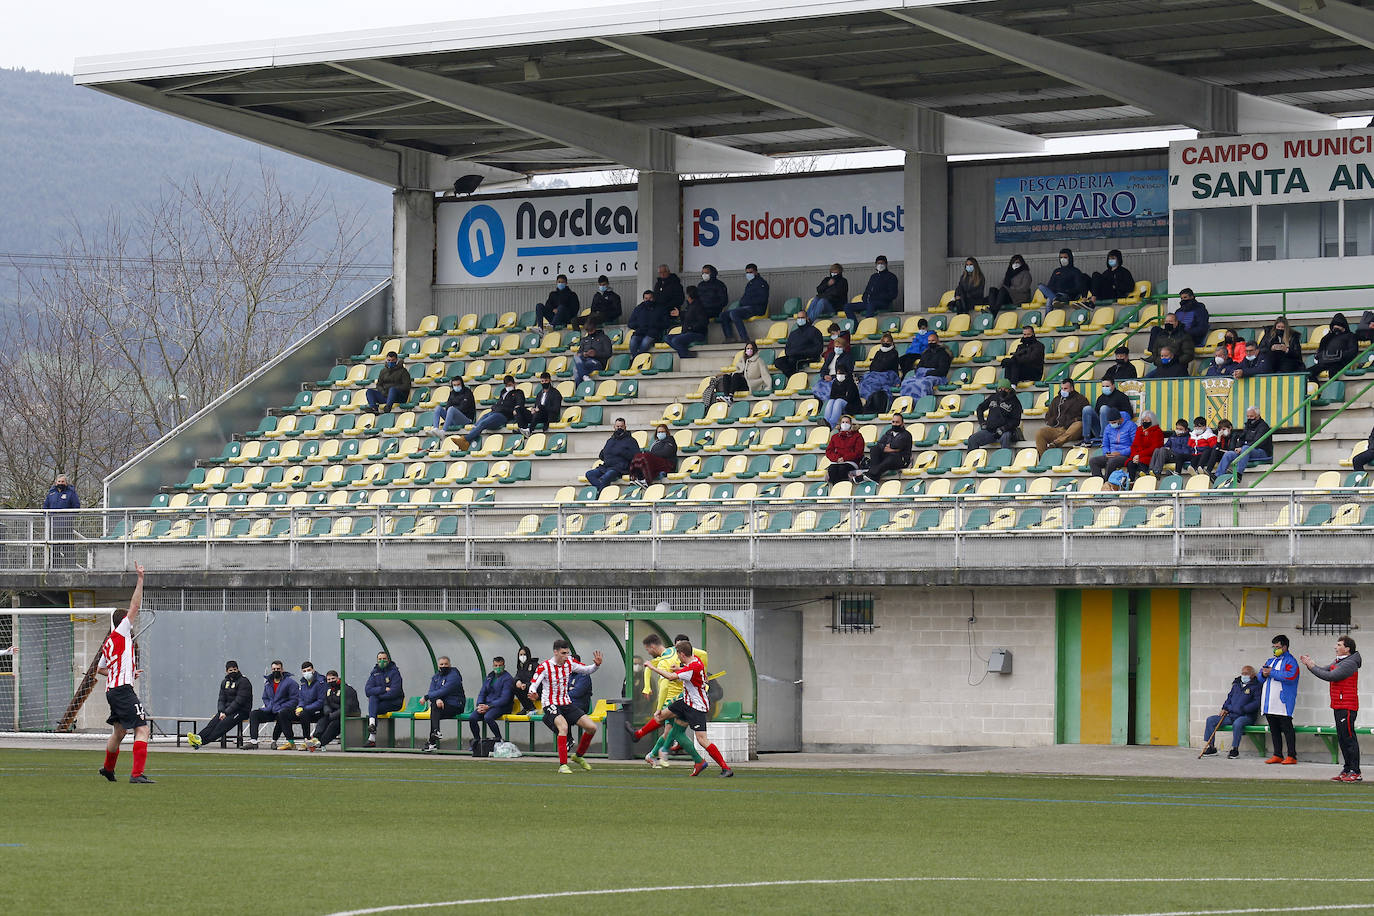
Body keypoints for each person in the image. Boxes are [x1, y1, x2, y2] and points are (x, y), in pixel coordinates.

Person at [643, 637, 734, 777]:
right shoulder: (696, 660)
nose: (677, 657)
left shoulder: (691, 668)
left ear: (682, 654)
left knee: (702, 739)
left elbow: (670, 677)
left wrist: (652, 667)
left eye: (678, 654)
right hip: (685, 702)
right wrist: (679, 668)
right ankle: (691, 759)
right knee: (661, 716)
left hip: (696, 707)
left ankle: (725, 768)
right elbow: (691, 670)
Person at [97, 563, 152, 784]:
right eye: (129, 620)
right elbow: (135, 605)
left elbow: (101, 669)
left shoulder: (109, 642)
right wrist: (140, 579)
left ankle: (108, 769)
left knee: (119, 733)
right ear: (123, 623)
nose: (133, 621)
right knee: (142, 730)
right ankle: (137, 775)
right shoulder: (121, 632)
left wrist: (126, 673)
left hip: (113, 689)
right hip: (122, 690)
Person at [527, 639, 603, 774]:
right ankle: (563, 765)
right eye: (563, 653)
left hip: (566, 703)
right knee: (564, 727)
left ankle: (578, 756)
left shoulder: (569, 663)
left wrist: (596, 665)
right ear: (555, 652)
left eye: (567, 653)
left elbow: (586, 670)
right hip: (550, 703)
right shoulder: (544, 666)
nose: (566, 656)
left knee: (592, 727)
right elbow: (534, 683)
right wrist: (532, 692)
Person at [631, 633, 705, 769]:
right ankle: (660, 750)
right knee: (673, 730)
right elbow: (704, 654)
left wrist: (700, 678)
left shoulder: (667, 659)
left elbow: (656, 674)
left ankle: (648, 744)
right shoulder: (670, 653)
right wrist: (647, 687)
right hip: (677, 700)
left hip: (678, 699)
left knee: (669, 728)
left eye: (647, 649)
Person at [1301, 635, 1362, 782]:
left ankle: (1355, 771)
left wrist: (1312, 666)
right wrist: (1311, 664)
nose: (1336, 647)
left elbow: (1330, 676)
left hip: (1347, 706)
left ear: (1347, 648)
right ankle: (1347, 769)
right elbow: (1323, 670)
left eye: (1339, 645)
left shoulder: (1350, 663)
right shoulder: (1339, 661)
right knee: (1342, 738)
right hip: (1338, 705)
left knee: (1349, 739)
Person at [187, 660, 253, 749]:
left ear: (238, 669)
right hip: (226, 711)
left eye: (235, 669)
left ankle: (201, 742)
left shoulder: (244, 681)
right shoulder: (225, 682)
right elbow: (221, 699)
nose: (233, 672)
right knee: (212, 723)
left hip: (241, 711)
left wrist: (226, 712)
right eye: (230, 670)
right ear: (226, 671)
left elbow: (239, 701)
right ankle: (198, 738)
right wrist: (222, 711)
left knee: (221, 727)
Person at [1201, 665, 1262, 759]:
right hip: (1231, 715)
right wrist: (1224, 708)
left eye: (1246, 673)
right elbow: (1229, 698)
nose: (1244, 675)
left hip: (1246, 716)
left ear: (1253, 675)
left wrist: (1243, 709)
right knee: (1211, 720)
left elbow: (1257, 703)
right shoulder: (1236, 685)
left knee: (1237, 723)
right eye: (1243, 673)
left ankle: (1235, 749)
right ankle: (1211, 747)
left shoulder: (1256, 686)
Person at [453, 375, 525, 451]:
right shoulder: (503, 392)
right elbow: (499, 403)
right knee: (477, 424)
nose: (508, 387)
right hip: (495, 412)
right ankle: (465, 443)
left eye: (510, 385)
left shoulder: (519, 393)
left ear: (514, 384)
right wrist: (495, 407)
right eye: (506, 385)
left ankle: (466, 440)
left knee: (483, 423)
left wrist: (505, 409)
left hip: (504, 415)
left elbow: (518, 406)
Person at [1260, 634, 1300, 765]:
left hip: (1283, 702)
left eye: (1277, 647)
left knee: (1287, 729)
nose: (1275, 649)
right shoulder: (1270, 661)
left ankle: (1292, 755)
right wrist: (1263, 674)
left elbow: (1290, 676)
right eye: (1274, 647)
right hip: (1269, 702)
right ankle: (1277, 754)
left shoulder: (1291, 661)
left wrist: (1271, 673)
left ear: (1284, 647)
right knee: (1274, 729)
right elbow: (1260, 679)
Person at [246, 660, 298, 749]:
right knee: (254, 714)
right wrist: (269, 705)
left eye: (278, 669)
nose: (276, 671)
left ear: (282, 670)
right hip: (270, 710)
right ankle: (253, 741)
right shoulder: (268, 683)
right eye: (274, 669)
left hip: (282, 710)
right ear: (271, 670)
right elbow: (265, 697)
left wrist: (281, 707)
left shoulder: (291, 683)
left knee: (282, 715)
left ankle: (274, 741)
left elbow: (294, 700)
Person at [1213, 406, 1271, 483]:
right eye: (1248, 416)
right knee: (1229, 454)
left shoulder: (1263, 426)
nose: (1249, 418)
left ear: (1258, 416)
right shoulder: (1248, 426)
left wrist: (1243, 448)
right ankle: (1218, 476)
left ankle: (1238, 474)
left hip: (1261, 451)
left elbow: (1258, 442)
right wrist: (1238, 447)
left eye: (1252, 416)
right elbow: (1242, 438)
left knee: (1246, 448)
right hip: (1246, 451)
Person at [469, 656, 515, 752]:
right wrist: (480, 704)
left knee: (488, 717)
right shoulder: (490, 676)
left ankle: (498, 738)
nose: (497, 667)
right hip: (486, 705)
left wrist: (489, 706)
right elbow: (483, 692)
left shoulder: (508, 679)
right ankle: (476, 740)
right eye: (495, 665)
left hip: (502, 706)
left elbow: (505, 699)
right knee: (472, 717)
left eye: (500, 665)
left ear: (504, 666)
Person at [422, 655, 466, 753]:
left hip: (456, 705)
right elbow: (432, 691)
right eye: (441, 664)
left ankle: (432, 741)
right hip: (442, 705)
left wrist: (427, 697)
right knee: (434, 710)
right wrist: (437, 699)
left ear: (450, 665)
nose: (444, 666)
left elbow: (445, 690)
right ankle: (434, 737)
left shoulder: (454, 676)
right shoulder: (436, 677)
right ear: (438, 666)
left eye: (446, 664)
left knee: (434, 711)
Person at [1035, 379, 1090, 456]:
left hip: (1072, 429)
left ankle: (1056, 444)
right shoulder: (1056, 400)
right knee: (1040, 433)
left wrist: (1073, 420)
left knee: (1079, 424)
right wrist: (1052, 421)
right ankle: (1044, 457)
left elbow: (1085, 416)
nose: (1063, 390)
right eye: (1062, 388)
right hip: (1057, 429)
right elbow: (1048, 416)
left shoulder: (1081, 399)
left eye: (1065, 388)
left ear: (1072, 388)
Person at [280, 660, 325, 751]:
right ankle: (290, 742)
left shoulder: (320, 681)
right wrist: (299, 707)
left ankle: (307, 740)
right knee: (283, 713)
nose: (306, 673)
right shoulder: (303, 682)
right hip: (304, 709)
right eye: (304, 671)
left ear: (313, 670)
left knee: (304, 713)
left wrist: (304, 708)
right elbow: (300, 698)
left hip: (316, 711)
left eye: (308, 670)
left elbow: (321, 701)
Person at [364, 650, 404, 748]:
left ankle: (372, 736)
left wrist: (378, 695)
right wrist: (383, 689)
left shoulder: (394, 672)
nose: (382, 661)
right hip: (381, 703)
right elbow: (367, 690)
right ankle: (372, 727)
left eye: (384, 659)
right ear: (377, 661)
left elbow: (394, 692)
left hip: (395, 703)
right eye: (380, 659)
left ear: (388, 660)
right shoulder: (374, 673)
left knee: (373, 701)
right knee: (373, 700)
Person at [586, 417, 638, 492]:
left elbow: (636, 456)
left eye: (621, 426)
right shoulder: (610, 440)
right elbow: (602, 455)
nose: (619, 428)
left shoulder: (631, 440)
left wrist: (622, 452)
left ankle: (601, 493)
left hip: (619, 468)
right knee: (589, 474)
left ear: (625, 427)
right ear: (614, 427)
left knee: (606, 477)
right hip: (606, 466)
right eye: (617, 426)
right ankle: (603, 491)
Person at [856, 414, 912, 483]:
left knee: (892, 457)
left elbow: (896, 445)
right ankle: (874, 476)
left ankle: (871, 474)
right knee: (874, 449)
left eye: (897, 422)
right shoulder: (889, 432)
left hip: (901, 460)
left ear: (902, 423)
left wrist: (891, 448)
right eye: (893, 422)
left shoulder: (906, 434)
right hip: (888, 457)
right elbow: (880, 444)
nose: (895, 424)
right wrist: (892, 449)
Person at [311, 669, 359, 751]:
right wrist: (327, 711)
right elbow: (326, 703)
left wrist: (333, 715)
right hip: (334, 714)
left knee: (334, 724)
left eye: (333, 679)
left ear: (337, 678)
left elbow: (347, 708)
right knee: (323, 719)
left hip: (349, 715)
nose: (331, 681)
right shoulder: (329, 690)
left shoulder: (347, 689)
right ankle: (315, 738)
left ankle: (321, 742)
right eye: (329, 679)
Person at [721, 263, 769, 342]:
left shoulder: (762, 283)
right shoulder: (750, 284)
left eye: (751, 272)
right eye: (747, 272)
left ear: (756, 272)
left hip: (757, 308)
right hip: (746, 308)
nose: (748, 274)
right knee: (724, 315)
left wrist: (746, 302)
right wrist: (743, 302)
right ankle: (729, 337)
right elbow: (744, 298)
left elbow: (762, 299)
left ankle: (744, 338)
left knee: (734, 313)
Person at [967, 382, 1022, 450]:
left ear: (1009, 389)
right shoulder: (993, 397)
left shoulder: (1015, 401)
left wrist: (1004, 428)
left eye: (1005, 389)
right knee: (972, 439)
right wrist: (982, 422)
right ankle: (972, 460)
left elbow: (1016, 420)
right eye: (1000, 389)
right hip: (990, 430)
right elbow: (980, 408)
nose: (1002, 391)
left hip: (1005, 431)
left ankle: (1004, 459)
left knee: (1006, 437)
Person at [898, 331, 951, 400]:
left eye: (933, 340)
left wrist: (928, 372)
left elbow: (942, 371)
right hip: (922, 375)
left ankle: (922, 402)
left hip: (937, 377)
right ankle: (906, 403)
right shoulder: (925, 353)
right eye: (929, 341)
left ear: (937, 341)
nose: (931, 342)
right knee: (906, 382)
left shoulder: (943, 353)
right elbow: (919, 366)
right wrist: (921, 372)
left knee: (924, 383)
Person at [1307, 313, 1359, 383]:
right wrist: (1330, 334)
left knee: (1332, 373)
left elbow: (1353, 351)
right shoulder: (1329, 337)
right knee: (1309, 372)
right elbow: (1321, 348)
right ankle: (1317, 391)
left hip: (1339, 362)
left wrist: (1341, 355)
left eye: (1339, 326)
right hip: (1326, 361)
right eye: (1334, 326)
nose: (1336, 328)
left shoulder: (1350, 336)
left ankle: (1333, 391)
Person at [43, 473, 81, 567]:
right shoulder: (51, 493)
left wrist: (68, 517)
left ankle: (71, 570)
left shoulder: (71, 493)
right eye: (59, 481)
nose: (61, 483)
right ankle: (55, 569)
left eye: (62, 481)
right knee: (54, 550)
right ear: (56, 482)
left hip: (66, 527)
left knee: (68, 549)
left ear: (66, 482)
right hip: (53, 527)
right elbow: (45, 507)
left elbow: (76, 507)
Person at [1081, 378, 1133, 446]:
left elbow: (1129, 414)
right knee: (1086, 409)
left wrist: (1116, 416)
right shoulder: (1100, 398)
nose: (1105, 388)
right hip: (1099, 430)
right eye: (1103, 386)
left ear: (1113, 385)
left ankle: (1104, 438)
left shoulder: (1121, 397)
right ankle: (1086, 439)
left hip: (1115, 430)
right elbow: (1097, 415)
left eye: (1107, 386)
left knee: (1104, 408)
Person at [1088, 408, 1136, 480]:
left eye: (1114, 422)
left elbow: (1135, 445)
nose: (1112, 424)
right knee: (1093, 461)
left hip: (1125, 455)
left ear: (1121, 419)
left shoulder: (1131, 426)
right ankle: (1098, 481)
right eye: (1110, 423)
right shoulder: (1108, 428)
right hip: (1111, 454)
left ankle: (1106, 483)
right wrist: (1107, 452)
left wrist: (1120, 453)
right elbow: (1105, 445)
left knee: (1112, 462)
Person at [858, 332, 900, 413]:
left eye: (887, 342)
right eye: (884, 341)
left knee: (874, 383)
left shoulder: (894, 353)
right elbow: (872, 366)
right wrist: (878, 367)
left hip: (888, 374)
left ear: (891, 342)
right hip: (876, 373)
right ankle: (866, 401)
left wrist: (878, 366)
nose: (885, 343)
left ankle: (871, 403)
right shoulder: (878, 352)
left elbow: (885, 365)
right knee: (865, 382)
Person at [666, 285, 709, 359]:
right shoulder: (689, 306)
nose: (686, 296)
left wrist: (691, 327)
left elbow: (703, 322)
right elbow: (687, 316)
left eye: (687, 295)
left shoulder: (700, 306)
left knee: (676, 340)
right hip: (687, 332)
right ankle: (685, 352)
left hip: (697, 333)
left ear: (690, 295)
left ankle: (686, 356)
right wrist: (679, 314)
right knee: (667, 338)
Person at [824, 415, 866, 484]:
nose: (845, 424)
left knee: (842, 469)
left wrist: (844, 458)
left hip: (851, 461)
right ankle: (836, 489)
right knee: (832, 470)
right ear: (840, 424)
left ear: (851, 424)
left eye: (847, 422)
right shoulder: (835, 437)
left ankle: (844, 487)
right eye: (843, 422)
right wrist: (837, 458)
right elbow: (829, 451)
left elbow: (858, 452)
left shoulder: (857, 436)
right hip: (837, 461)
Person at [1124, 410, 1164, 480]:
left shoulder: (1157, 431)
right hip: (1137, 456)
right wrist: (1134, 456)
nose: (1145, 422)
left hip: (1149, 456)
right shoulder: (1139, 430)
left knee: (1141, 463)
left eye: (1147, 420)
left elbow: (1154, 448)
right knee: (1131, 463)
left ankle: (1146, 480)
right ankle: (1131, 482)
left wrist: (1139, 455)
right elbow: (1134, 445)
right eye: (1143, 420)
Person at [626, 289, 666, 358]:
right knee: (633, 342)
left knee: (645, 343)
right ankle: (637, 360)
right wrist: (639, 324)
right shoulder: (638, 309)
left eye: (650, 298)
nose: (648, 300)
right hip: (640, 332)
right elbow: (630, 323)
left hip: (653, 333)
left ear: (653, 298)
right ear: (643, 299)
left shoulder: (660, 308)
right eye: (646, 298)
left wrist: (654, 324)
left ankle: (636, 360)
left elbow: (666, 323)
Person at [521, 372, 562, 436]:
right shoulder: (539, 394)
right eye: (542, 381)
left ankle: (529, 430)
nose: (544, 382)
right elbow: (536, 406)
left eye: (546, 380)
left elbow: (556, 409)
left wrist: (542, 408)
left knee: (540, 407)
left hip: (549, 416)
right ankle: (522, 428)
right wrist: (533, 409)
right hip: (538, 416)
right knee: (519, 409)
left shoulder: (556, 393)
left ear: (550, 380)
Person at [513, 646, 537, 714]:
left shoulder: (534, 665)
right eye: (520, 655)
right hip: (525, 688)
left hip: (536, 690)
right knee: (514, 686)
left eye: (524, 654)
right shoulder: (521, 667)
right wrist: (517, 681)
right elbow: (517, 676)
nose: (522, 656)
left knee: (524, 688)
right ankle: (527, 707)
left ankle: (531, 708)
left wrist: (527, 685)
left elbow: (537, 680)